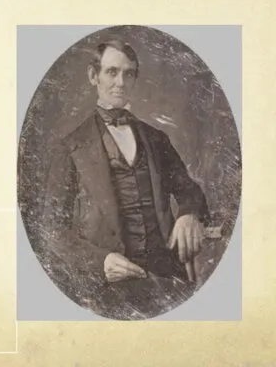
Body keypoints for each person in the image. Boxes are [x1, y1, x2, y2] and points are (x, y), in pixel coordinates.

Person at [43, 39, 209, 318]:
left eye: (128, 73)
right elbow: (52, 230)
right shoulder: (70, 147)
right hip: (106, 290)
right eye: (112, 72)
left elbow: (190, 190)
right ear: (93, 76)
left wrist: (189, 214)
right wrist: (101, 261)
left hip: (165, 279)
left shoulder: (156, 139)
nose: (120, 82)